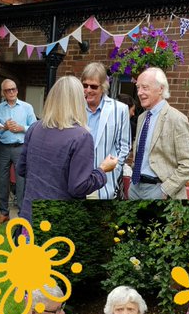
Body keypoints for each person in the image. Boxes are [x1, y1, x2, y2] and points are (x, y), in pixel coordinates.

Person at [16, 76, 117, 224]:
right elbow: (79, 187)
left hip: (29, 216)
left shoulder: (34, 128)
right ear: (78, 101)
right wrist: (102, 170)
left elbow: (21, 168)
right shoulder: (81, 136)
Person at [128, 67, 189, 200]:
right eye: (138, 87)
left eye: (145, 87)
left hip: (158, 190)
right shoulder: (142, 117)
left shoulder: (176, 119)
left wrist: (165, 190)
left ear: (160, 89)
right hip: (135, 187)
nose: (139, 92)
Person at [80, 63, 131, 200]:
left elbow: (124, 146)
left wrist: (116, 168)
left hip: (104, 180)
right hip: (76, 179)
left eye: (94, 86)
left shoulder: (119, 109)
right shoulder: (75, 108)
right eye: (85, 85)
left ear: (103, 87)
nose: (88, 90)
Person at [0, 78, 36, 224]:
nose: (11, 92)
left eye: (13, 89)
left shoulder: (27, 107)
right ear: (3, 92)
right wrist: (4, 127)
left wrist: (22, 128)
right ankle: (4, 213)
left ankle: (23, 215)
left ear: (17, 89)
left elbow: (35, 128)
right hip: (3, 147)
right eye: (8, 90)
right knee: (2, 181)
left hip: (20, 147)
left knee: (21, 181)